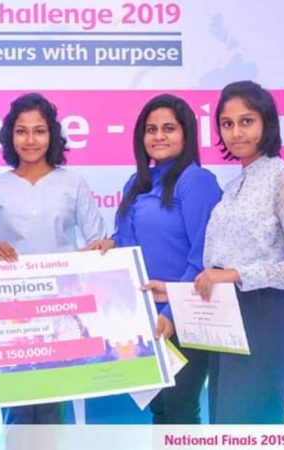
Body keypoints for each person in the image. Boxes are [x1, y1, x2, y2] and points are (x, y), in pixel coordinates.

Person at [83, 94, 222, 424]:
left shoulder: (197, 181)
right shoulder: (137, 182)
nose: (158, 136)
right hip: (143, 315)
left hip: (187, 314)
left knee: (180, 410)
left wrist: (173, 312)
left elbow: (205, 254)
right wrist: (109, 244)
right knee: (159, 410)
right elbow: (129, 240)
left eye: (169, 128)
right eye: (151, 129)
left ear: (186, 134)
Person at [0, 92, 106, 425]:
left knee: (52, 408)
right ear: (10, 136)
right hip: (9, 313)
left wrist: (95, 252)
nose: (30, 140)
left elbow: (98, 242)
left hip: (60, 311)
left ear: (52, 135)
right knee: (15, 408)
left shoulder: (72, 184)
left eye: (39, 131)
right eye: (22, 131)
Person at [194, 80, 284, 423]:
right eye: (227, 123)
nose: (236, 132)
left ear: (267, 122)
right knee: (226, 426)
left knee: (252, 426)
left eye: (246, 121)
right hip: (227, 316)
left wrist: (236, 274)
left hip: (266, 314)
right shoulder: (233, 186)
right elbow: (220, 261)